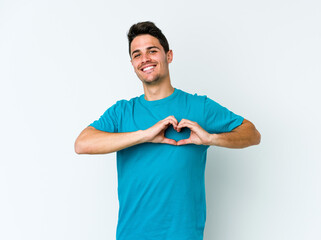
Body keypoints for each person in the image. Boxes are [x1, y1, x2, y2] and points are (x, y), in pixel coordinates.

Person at [74, 21, 261, 240]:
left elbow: (252, 133)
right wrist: (145, 135)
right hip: (131, 235)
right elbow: (82, 143)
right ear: (133, 63)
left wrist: (211, 138)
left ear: (168, 55)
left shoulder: (198, 106)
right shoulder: (122, 111)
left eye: (152, 51)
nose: (145, 59)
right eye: (137, 54)